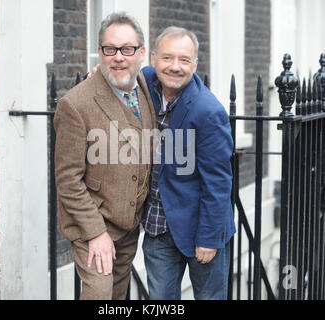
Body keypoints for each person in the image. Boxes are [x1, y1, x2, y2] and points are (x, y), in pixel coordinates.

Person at [53, 12, 155, 300]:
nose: (119, 57)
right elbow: (67, 180)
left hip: (129, 225)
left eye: (127, 49)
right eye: (110, 49)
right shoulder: (74, 104)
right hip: (93, 225)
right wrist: (96, 233)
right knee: (99, 294)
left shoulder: (147, 86)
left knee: (118, 298)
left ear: (141, 53)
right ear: (100, 52)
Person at [141, 26, 235, 300]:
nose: (175, 66)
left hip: (200, 229)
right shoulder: (146, 81)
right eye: (168, 58)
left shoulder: (208, 111)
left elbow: (217, 183)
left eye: (184, 60)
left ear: (195, 64)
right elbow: (120, 70)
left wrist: (208, 237)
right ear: (154, 59)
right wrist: (96, 73)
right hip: (158, 226)